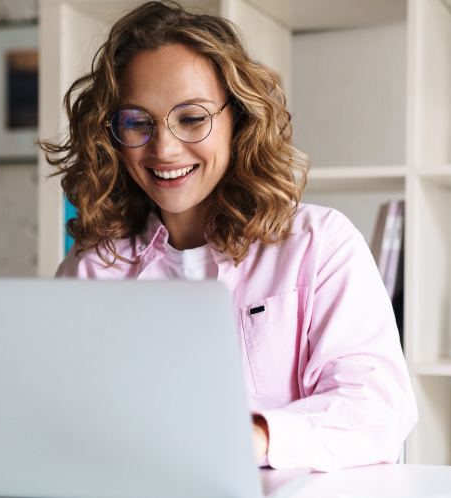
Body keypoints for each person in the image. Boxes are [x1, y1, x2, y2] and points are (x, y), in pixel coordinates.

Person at [41, 0, 417, 471]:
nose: (163, 148)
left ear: (237, 119)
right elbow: (56, 412)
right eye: (137, 122)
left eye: (192, 118)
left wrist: (255, 436)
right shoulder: (93, 266)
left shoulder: (320, 245)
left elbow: (378, 412)